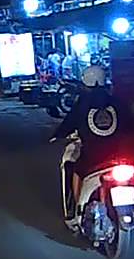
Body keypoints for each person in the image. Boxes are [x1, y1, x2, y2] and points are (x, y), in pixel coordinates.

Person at [49, 65, 123, 229]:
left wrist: (58, 135)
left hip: (93, 155)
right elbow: (128, 123)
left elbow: (70, 122)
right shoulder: (115, 101)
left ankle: (77, 212)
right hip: (117, 155)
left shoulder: (83, 102)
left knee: (77, 170)